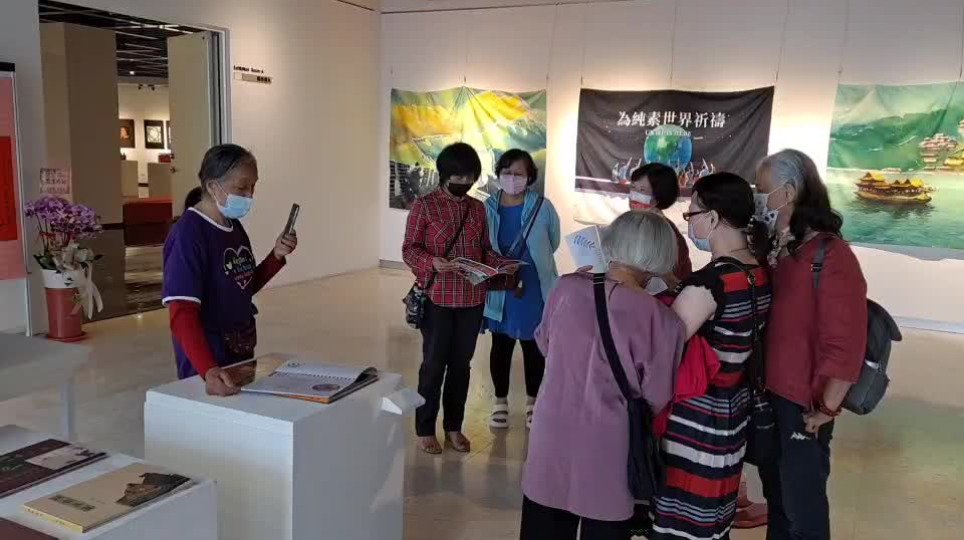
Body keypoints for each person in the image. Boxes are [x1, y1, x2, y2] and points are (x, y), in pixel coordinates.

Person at [521, 211, 686, 540]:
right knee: (604, 525)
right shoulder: (662, 319)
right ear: (662, 255)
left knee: (543, 521)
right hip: (610, 441)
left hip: (551, 429)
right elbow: (657, 395)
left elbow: (544, 343)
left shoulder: (566, 287)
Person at [649, 173, 772, 540]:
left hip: (698, 412)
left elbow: (666, 342)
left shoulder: (712, 282)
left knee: (684, 513)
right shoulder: (757, 271)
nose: (690, 223)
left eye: (692, 214)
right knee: (715, 511)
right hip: (733, 407)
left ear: (714, 217)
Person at [754, 149, 867, 540]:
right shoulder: (785, 250)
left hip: (804, 404)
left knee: (803, 507)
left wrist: (827, 408)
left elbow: (847, 342)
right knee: (778, 500)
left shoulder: (832, 256)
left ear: (787, 192)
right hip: (771, 394)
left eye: (762, 190)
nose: (758, 199)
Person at [402, 142, 514, 455]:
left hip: (471, 300)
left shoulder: (477, 209)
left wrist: (499, 264)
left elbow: (485, 249)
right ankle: (425, 428)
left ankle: (454, 427)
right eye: (459, 176)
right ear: (445, 174)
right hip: (438, 298)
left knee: (461, 367)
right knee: (433, 366)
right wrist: (432, 262)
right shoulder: (425, 206)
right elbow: (409, 249)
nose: (465, 182)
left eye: (470, 177)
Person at [162, 144, 297, 395]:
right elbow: (181, 312)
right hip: (208, 359)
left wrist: (276, 256)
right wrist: (208, 369)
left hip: (240, 349)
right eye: (242, 187)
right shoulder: (188, 234)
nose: (249, 195)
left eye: (253, 186)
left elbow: (242, 286)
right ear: (213, 186)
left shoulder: (233, 226)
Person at [484, 149, 560, 430]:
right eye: (507, 172)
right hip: (500, 288)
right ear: (499, 174)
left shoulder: (543, 207)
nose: (512, 178)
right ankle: (500, 402)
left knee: (533, 346)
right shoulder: (487, 207)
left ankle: (532, 402)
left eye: (518, 173)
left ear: (530, 177)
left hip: (533, 288)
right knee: (500, 345)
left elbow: (553, 241)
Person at [629, 163, 692, 286]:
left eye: (642, 190)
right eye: (633, 187)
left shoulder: (662, 231)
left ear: (657, 198)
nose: (633, 195)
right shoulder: (637, 223)